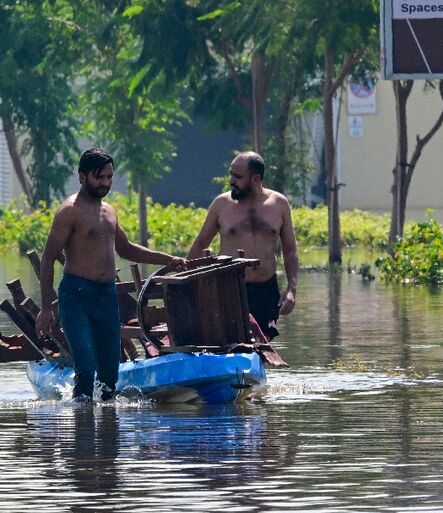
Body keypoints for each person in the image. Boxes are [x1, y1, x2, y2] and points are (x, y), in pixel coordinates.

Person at [35, 148, 186, 401]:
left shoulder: (109, 212)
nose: (105, 183)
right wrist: (46, 308)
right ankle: (82, 431)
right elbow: (48, 259)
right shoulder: (69, 211)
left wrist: (168, 259)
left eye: (109, 177)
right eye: (99, 178)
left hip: (106, 297)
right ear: (82, 177)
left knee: (109, 375)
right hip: (76, 296)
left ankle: (106, 433)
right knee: (86, 369)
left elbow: (126, 249)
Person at [187, 151, 298, 339]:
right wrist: (184, 282)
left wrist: (291, 290)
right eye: (231, 174)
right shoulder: (222, 204)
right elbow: (200, 244)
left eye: (237, 177)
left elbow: (290, 250)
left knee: (262, 346)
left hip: (266, 290)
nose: (231, 180)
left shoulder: (279, 204)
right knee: (230, 343)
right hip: (228, 289)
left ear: (255, 179)